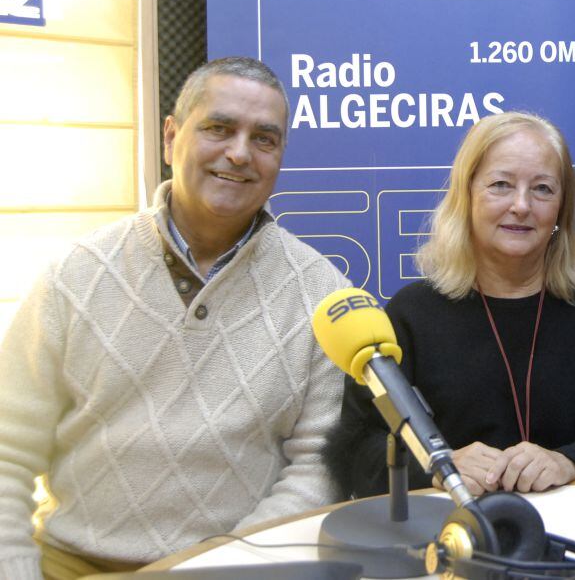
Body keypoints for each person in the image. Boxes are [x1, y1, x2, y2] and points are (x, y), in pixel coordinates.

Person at [0, 57, 351, 579]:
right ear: (170, 137)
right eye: (218, 128)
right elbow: (8, 450)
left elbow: (317, 469)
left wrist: (222, 567)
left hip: (236, 570)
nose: (238, 153)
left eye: (264, 139)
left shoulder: (324, 295)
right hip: (70, 566)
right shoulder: (73, 275)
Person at [324, 112, 575, 499]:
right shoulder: (408, 315)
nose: (521, 205)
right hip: (447, 536)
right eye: (501, 184)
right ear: (466, 196)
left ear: (561, 212)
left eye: (543, 189)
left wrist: (570, 461)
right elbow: (354, 450)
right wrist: (437, 464)